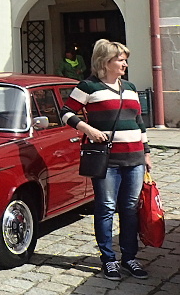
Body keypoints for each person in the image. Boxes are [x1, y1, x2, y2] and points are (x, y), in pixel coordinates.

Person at [60, 39, 151, 282]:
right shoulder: (88, 87)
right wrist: (87, 130)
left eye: (125, 59)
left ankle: (129, 257)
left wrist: (147, 152)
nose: (125, 63)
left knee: (130, 209)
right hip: (107, 159)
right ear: (105, 62)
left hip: (135, 158)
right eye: (120, 59)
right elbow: (65, 112)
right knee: (107, 208)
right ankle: (108, 259)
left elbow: (139, 122)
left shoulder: (130, 87)